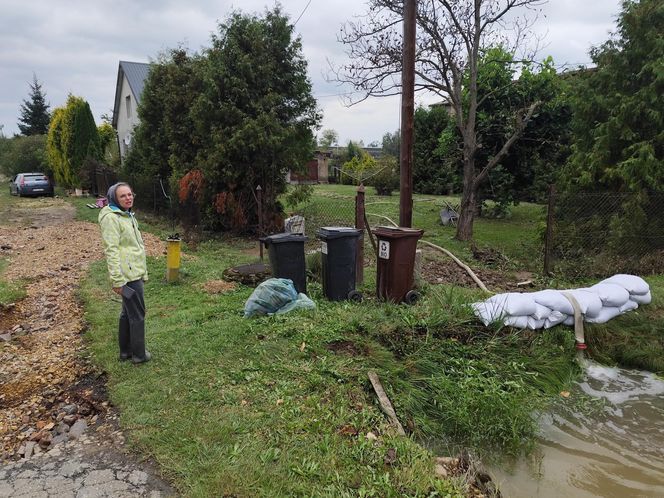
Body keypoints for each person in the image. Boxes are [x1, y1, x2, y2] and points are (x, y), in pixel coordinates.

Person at [98, 182, 151, 364]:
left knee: (127, 313)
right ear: (114, 198)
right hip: (128, 275)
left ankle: (125, 352)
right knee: (137, 314)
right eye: (123, 196)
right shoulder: (112, 218)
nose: (128, 198)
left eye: (130, 194)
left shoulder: (126, 215)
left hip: (134, 271)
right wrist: (117, 280)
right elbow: (111, 250)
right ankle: (139, 355)